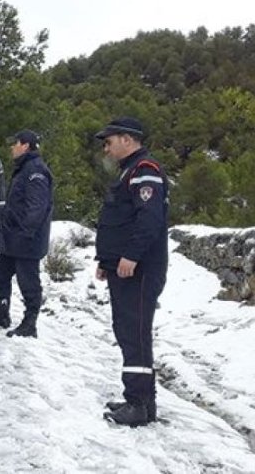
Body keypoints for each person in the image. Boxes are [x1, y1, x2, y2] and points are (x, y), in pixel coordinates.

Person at [94, 117, 168, 427]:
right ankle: (143, 401)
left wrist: (130, 256)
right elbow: (118, 221)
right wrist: (106, 261)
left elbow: (148, 221)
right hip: (123, 267)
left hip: (139, 269)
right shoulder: (130, 171)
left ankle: (137, 405)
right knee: (129, 331)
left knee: (133, 333)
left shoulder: (144, 171)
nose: (107, 149)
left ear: (127, 139)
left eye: (109, 142)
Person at [0, 130, 52, 338]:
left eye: (15, 143)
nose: (12, 147)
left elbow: (36, 208)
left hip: (27, 240)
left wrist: (24, 233)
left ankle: (30, 323)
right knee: (0, 272)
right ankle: (2, 313)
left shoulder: (35, 171)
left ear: (26, 146)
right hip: (14, 238)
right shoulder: (24, 168)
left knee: (28, 282)